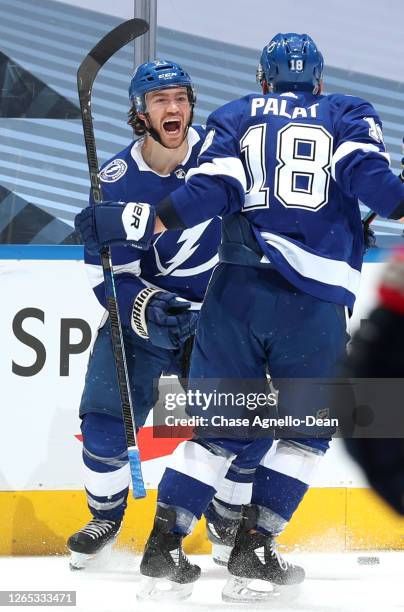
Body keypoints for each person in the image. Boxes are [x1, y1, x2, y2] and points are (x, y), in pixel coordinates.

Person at [75, 33, 404, 602]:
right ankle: (255, 546)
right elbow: (373, 185)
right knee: (304, 433)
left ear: (262, 81)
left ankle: (165, 541)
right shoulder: (348, 112)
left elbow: (208, 192)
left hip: (231, 298)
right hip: (309, 301)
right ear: (319, 82)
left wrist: (142, 223)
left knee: (219, 430)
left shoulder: (234, 116)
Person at [69, 58, 310, 574]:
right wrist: (145, 308)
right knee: (105, 431)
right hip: (145, 316)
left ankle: (226, 518)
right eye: (160, 100)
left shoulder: (221, 152)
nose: (173, 107)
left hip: (217, 319)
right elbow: (104, 272)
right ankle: (105, 515)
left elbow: (277, 203)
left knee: (246, 429)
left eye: (180, 97)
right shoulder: (116, 180)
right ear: (140, 111)